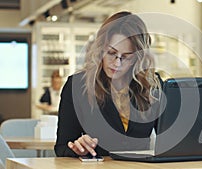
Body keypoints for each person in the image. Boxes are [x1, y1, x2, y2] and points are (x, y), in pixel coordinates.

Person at [54, 11, 162, 157]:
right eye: (111, 53)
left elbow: (171, 140)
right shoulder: (77, 86)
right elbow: (61, 147)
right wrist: (79, 149)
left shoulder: (152, 86)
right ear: (100, 50)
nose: (117, 63)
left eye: (126, 57)